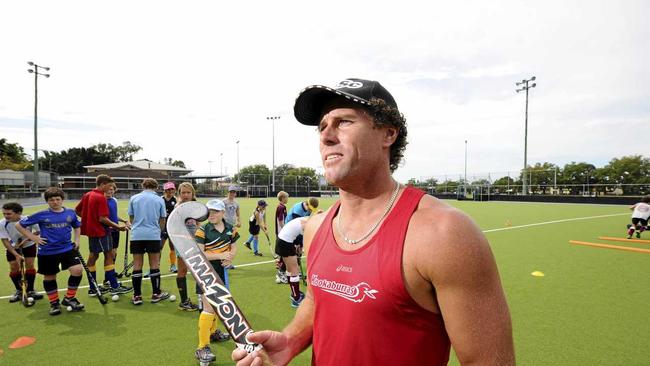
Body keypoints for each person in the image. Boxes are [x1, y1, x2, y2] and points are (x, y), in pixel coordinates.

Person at [232, 78, 514, 365]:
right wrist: (290, 341)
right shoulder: (317, 227)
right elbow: (317, 300)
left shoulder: (443, 232)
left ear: (388, 134)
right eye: (322, 126)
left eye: (343, 122)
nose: (326, 136)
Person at [16, 188, 85, 316]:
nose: (55, 202)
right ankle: (54, 303)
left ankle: (69, 298)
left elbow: (77, 226)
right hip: (47, 251)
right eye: (51, 200)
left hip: (67, 248)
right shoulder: (42, 214)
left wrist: (77, 240)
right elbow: (19, 225)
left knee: (77, 270)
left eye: (57, 199)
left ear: (62, 200)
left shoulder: (70, 213)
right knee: (50, 276)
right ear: (47, 201)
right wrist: (34, 238)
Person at [193, 199, 239, 364]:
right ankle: (202, 347)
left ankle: (212, 333)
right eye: (209, 212)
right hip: (205, 272)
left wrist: (230, 256)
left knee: (218, 305)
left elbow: (233, 246)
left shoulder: (230, 229)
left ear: (223, 213)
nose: (211, 215)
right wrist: (221, 256)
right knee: (209, 307)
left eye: (215, 211)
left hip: (221, 271)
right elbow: (200, 253)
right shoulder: (202, 230)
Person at [75, 174, 131, 297]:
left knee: (94, 255)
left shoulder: (88, 194)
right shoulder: (100, 197)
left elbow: (77, 210)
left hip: (93, 231)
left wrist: (88, 220)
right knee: (108, 255)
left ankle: (93, 288)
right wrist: (118, 227)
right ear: (102, 184)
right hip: (101, 231)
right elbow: (103, 218)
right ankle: (114, 286)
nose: (111, 189)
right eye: (109, 186)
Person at [128, 178, 170, 305]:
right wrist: (159, 231)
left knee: (137, 265)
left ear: (143, 186)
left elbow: (131, 217)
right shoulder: (159, 199)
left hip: (137, 235)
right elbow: (162, 219)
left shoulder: (134, 198)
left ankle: (137, 296)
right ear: (156, 187)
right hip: (153, 235)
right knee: (154, 264)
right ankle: (156, 294)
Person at [1, 202, 43, 302]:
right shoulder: (2, 223)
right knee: (14, 266)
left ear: (18, 213)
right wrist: (16, 255)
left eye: (9, 214)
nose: (6, 216)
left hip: (29, 245)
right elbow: (5, 241)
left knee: (30, 265)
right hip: (13, 246)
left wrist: (28, 238)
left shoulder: (28, 219)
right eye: (4, 214)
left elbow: (39, 231)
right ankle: (19, 290)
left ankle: (30, 290)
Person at [174, 182, 199, 311]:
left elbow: (199, 224)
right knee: (183, 270)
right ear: (179, 194)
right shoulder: (178, 208)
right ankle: (184, 302)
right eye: (183, 192)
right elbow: (175, 228)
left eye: (188, 192)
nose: (185, 195)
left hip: (195, 242)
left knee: (198, 271)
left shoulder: (195, 206)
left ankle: (202, 301)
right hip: (182, 243)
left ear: (192, 193)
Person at [274, 217, 308, 307]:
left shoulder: (306, 219)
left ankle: (295, 293)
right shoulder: (308, 225)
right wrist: (301, 248)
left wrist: (298, 246)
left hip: (283, 241)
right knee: (294, 270)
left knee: (290, 269)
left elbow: (298, 237)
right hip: (285, 243)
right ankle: (296, 299)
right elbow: (306, 240)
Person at [105, 182, 131, 287]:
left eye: (112, 190)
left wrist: (124, 220)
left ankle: (111, 273)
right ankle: (108, 278)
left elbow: (114, 215)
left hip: (116, 230)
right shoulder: (102, 201)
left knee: (114, 253)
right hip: (107, 231)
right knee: (109, 254)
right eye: (108, 190)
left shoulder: (114, 200)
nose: (110, 192)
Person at [160, 182, 178, 273]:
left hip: (172, 228)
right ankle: (155, 267)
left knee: (172, 247)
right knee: (159, 248)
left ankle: (173, 265)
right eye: (168, 189)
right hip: (162, 227)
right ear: (165, 190)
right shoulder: (160, 200)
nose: (170, 191)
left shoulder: (176, 200)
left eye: (172, 189)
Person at [222, 185, 241, 270]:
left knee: (230, 244)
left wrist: (239, 221)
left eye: (233, 192)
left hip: (232, 227)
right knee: (227, 244)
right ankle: (225, 263)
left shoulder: (236, 203)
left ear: (235, 193)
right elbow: (220, 212)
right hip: (224, 226)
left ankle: (227, 262)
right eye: (231, 192)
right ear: (228, 192)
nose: (232, 193)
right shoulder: (223, 202)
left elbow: (237, 213)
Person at [274, 191, 289, 284]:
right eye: (286, 197)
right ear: (283, 198)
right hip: (282, 232)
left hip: (280, 232)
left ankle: (281, 268)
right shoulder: (281, 207)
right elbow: (280, 220)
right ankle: (280, 273)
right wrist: (285, 229)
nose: (287, 199)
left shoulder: (281, 206)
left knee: (282, 252)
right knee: (284, 252)